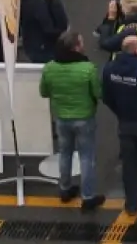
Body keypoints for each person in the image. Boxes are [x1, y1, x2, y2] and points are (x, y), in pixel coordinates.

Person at [39, 29, 105, 210]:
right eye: (81, 43)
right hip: (84, 117)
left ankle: (65, 188)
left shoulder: (50, 68)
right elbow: (98, 93)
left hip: (61, 117)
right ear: (75, 47)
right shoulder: (87, 68)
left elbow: (44, 92)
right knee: (86, 157)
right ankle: (88, 196)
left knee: (65, 153)